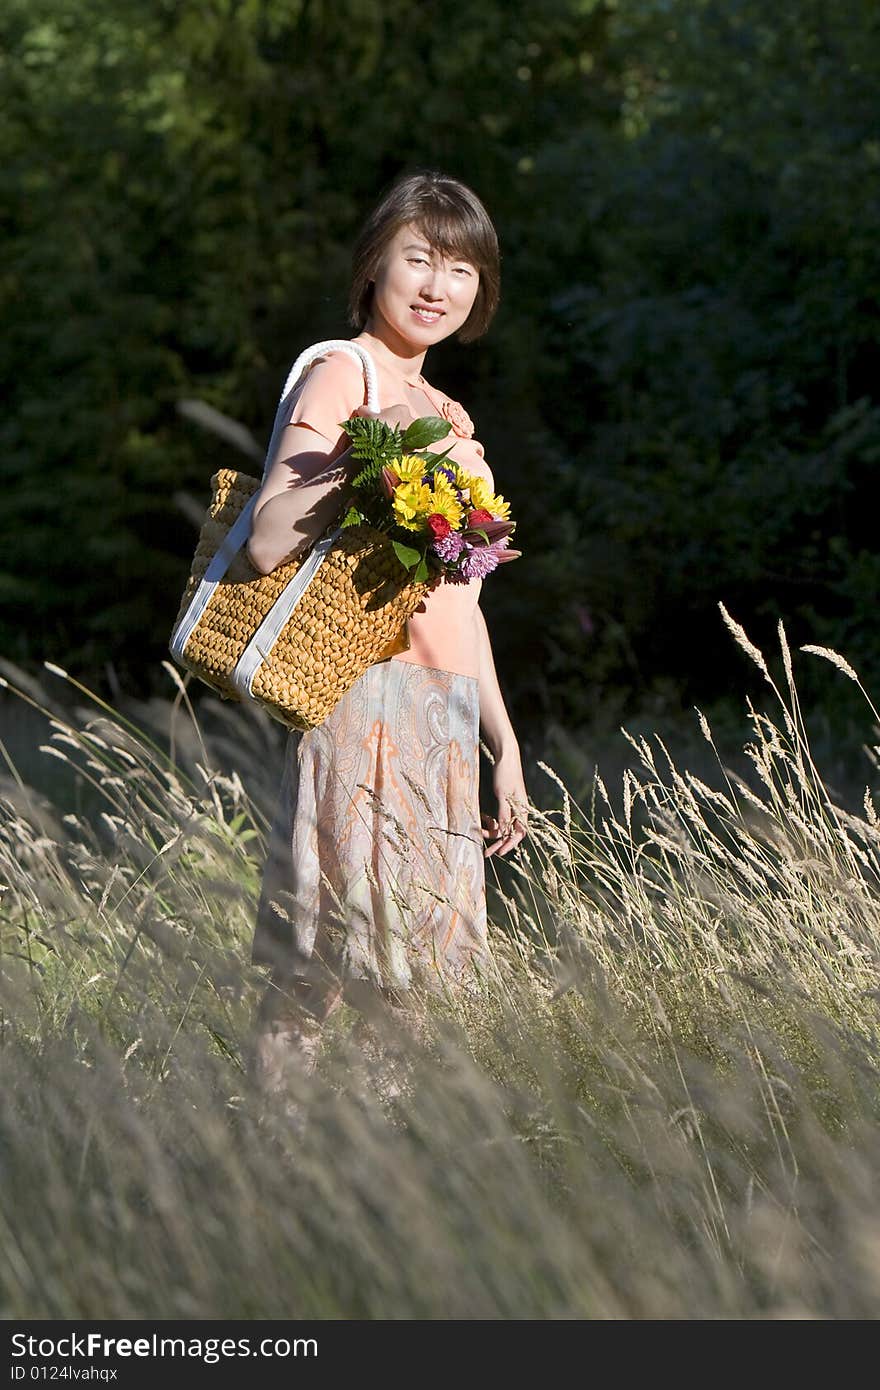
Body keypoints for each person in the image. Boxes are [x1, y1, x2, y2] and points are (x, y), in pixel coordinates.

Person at [245, 170, 529, 1102]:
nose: (438, 285)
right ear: (376, 266)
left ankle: (373, 1179)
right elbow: (264, 538)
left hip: (440, 717)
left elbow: (463, 608)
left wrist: (505, 745)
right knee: (321, 976)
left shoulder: (452, 417)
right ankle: (272, 1163)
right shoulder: (344, 370)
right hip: (360, 701)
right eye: (419, 258)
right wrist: (372, 466)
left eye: (461, 268)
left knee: (412, 987)